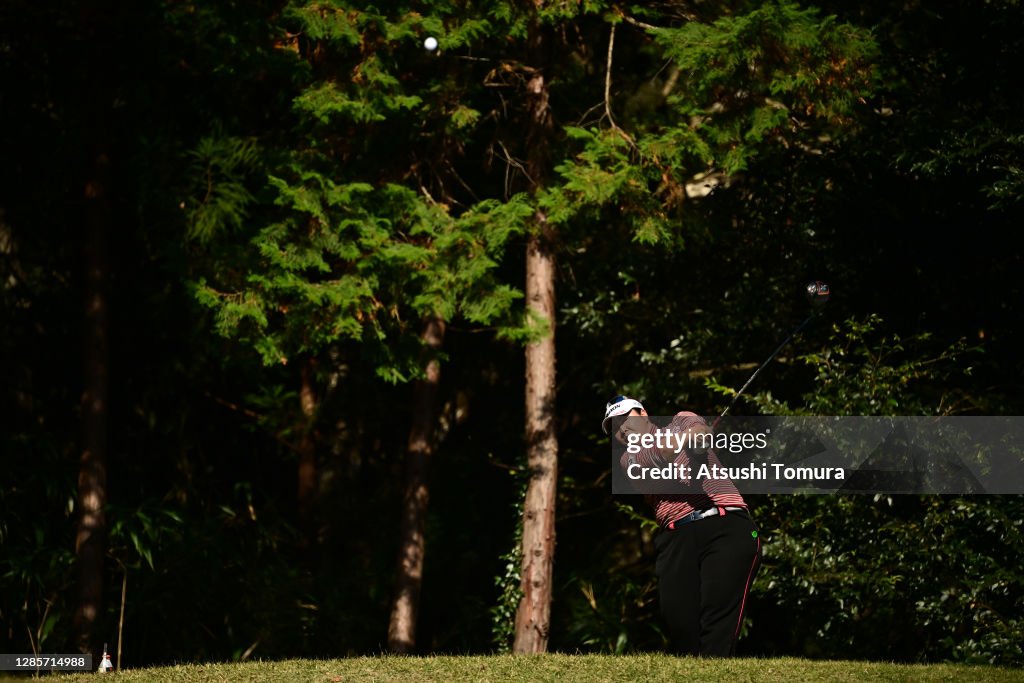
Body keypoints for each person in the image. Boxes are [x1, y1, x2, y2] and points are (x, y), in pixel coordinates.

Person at [603, 395, 761, 657]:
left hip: (726, 524)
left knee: (718, 615)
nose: (621, 428)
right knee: (679, 623)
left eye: (623, 418)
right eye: (614, 428)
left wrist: (700, 438)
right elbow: (662, 453)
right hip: (677, 535)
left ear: (642, 414)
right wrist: (689, 439)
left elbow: (698, 434)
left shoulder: (681, 419)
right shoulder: (628, 461)